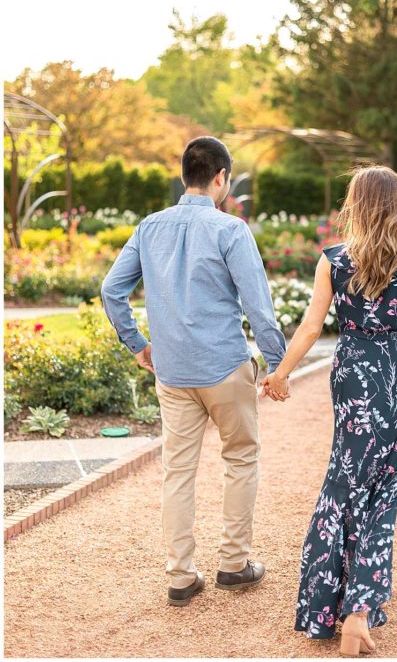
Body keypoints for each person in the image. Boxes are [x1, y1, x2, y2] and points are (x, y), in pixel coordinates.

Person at [101, 136, 287, 607]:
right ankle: (233, 564)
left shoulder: (149, 227)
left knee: (177, 472)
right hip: (225, 366)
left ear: (185, 175)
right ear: (222, 177)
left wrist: (139, 345)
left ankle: (181, 576)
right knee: (241, 459)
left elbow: (111, 290)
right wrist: (278, 363)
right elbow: (258, 306)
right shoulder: (230, 229)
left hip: (174, 373)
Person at [267, 166, 397, 656]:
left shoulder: (333, 262)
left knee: (343, 482)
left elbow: (308, 329)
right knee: (384, 491)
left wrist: (281, 374)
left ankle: (326, 606)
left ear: (356, 206)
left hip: (353, 376)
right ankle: (359, 611)